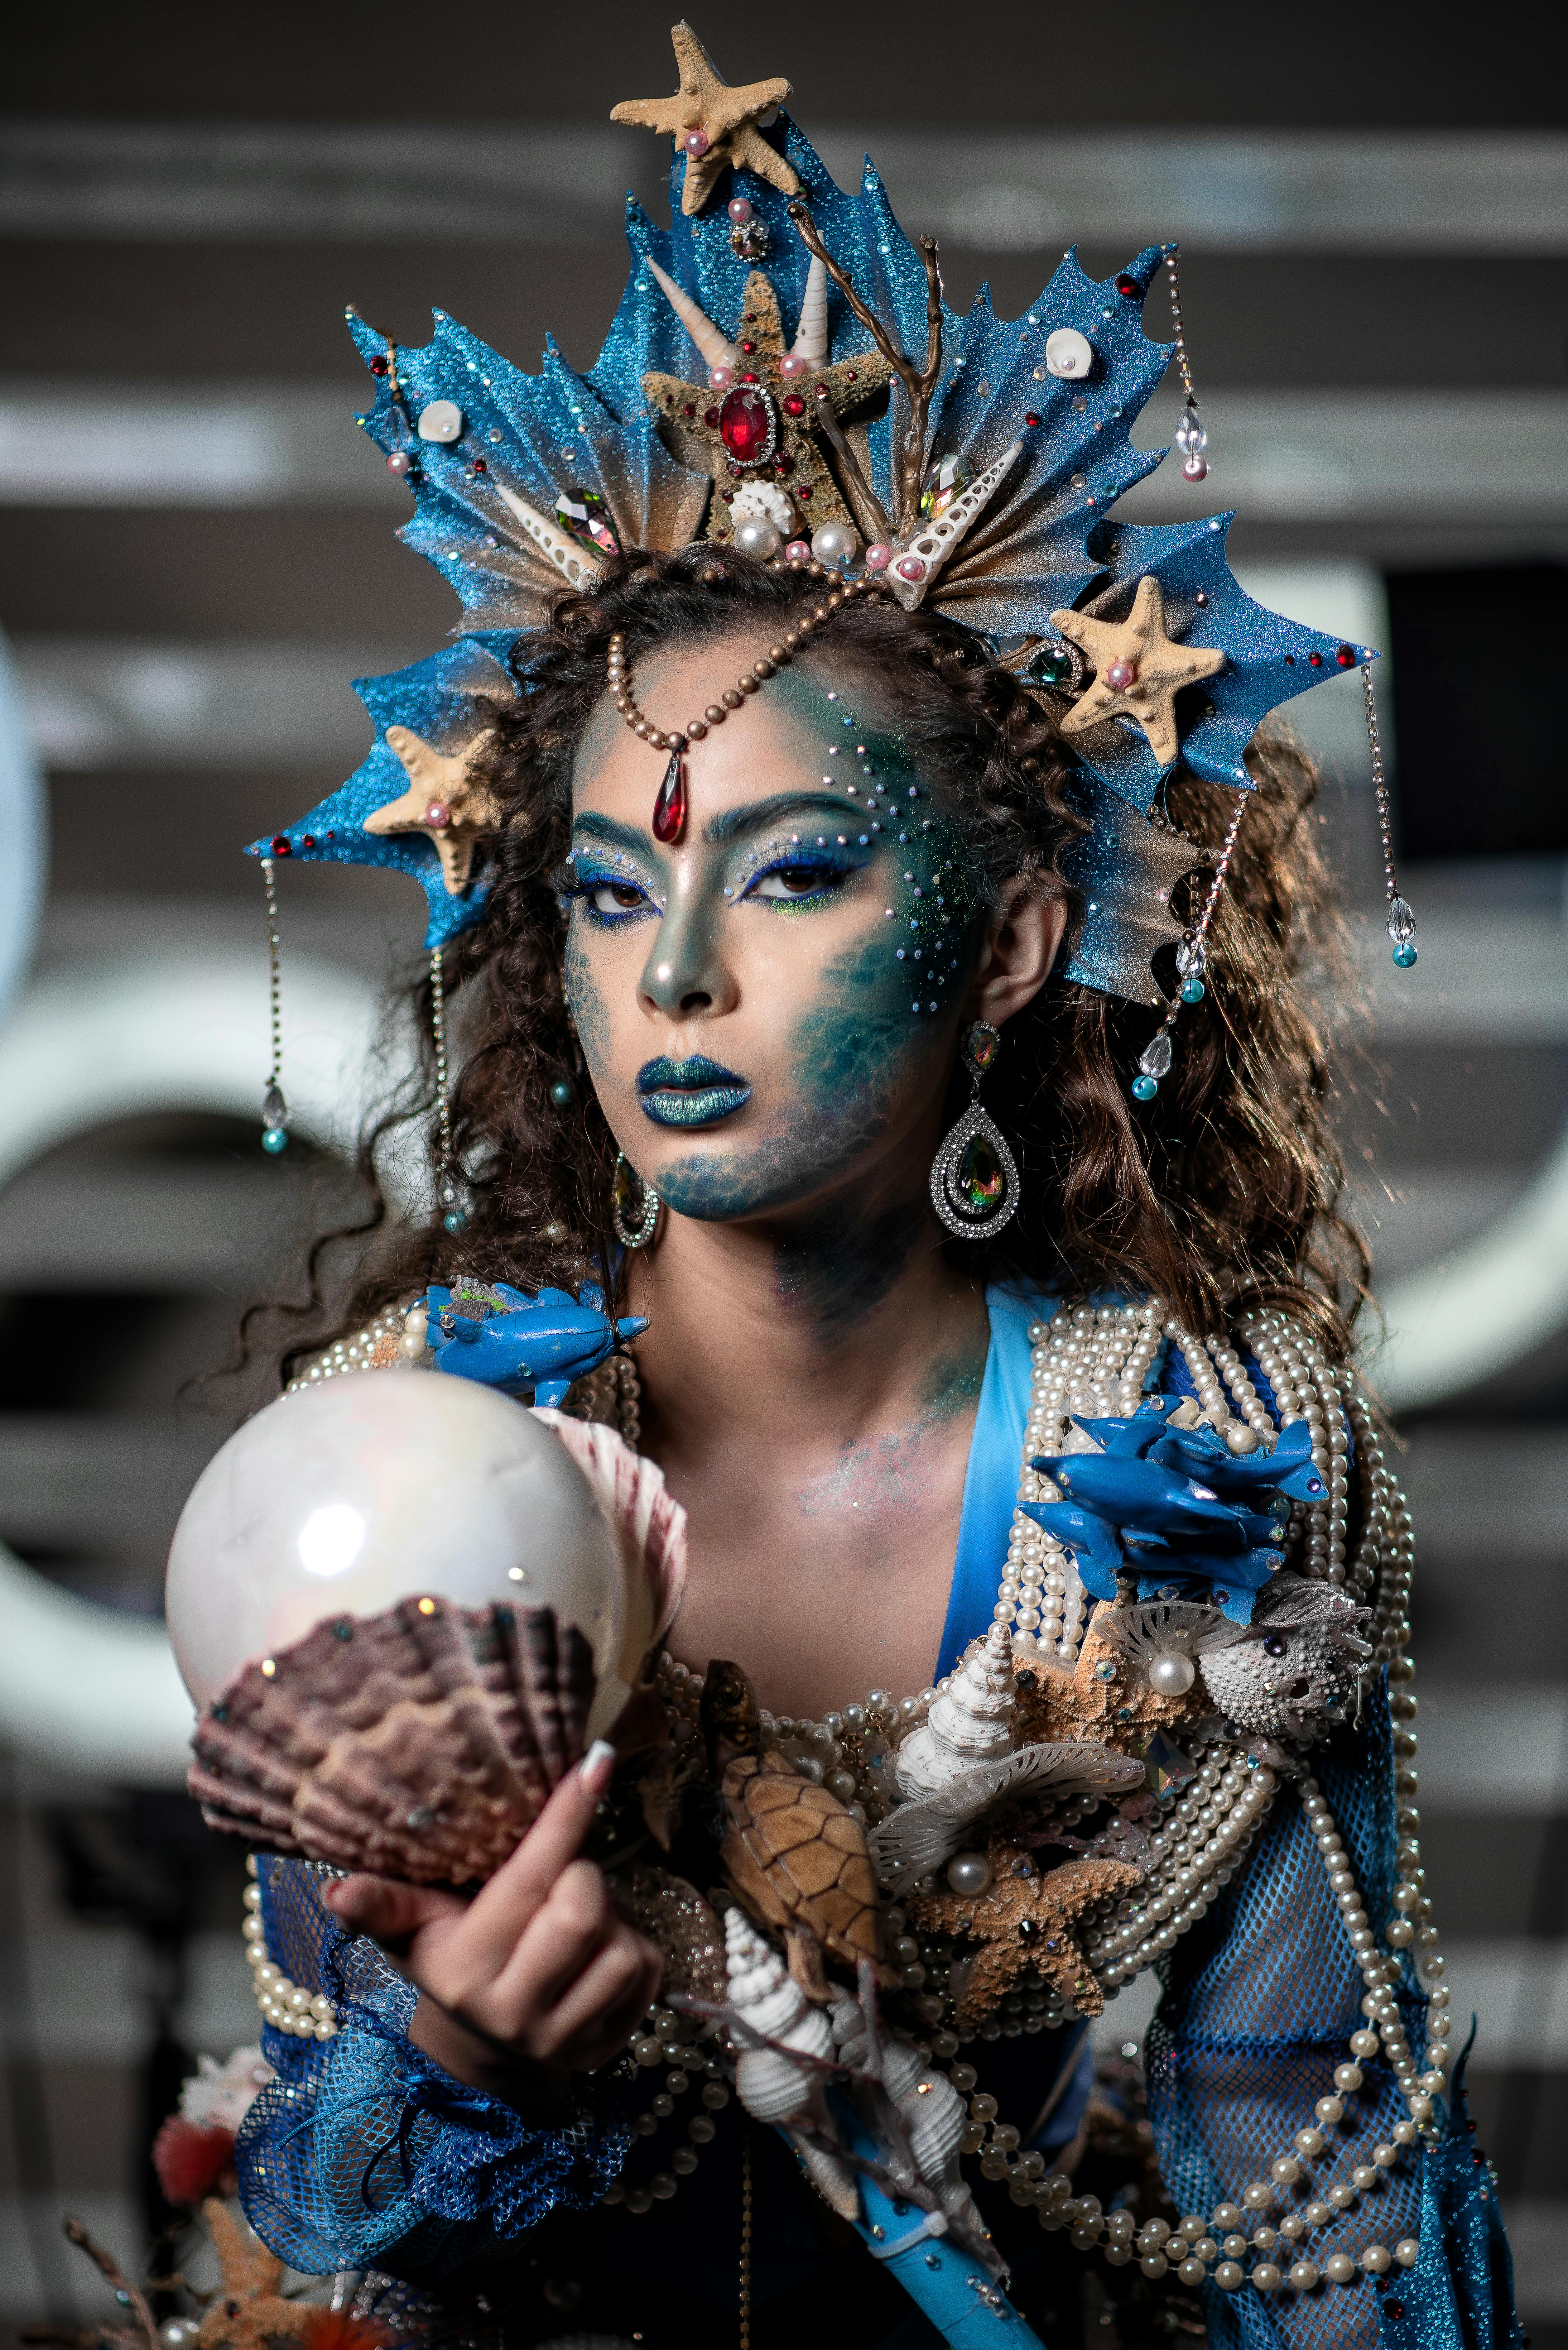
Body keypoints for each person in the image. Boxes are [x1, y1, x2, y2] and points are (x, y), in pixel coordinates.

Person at [224, 29, 1521, 2350]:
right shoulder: (394, 1456)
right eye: (612, 897)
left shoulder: (1212, 1465)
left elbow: (1322, 2233)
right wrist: (448, 2066)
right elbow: (317, 2232)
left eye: (798, 871)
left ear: (1013, 940)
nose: (681, 976)